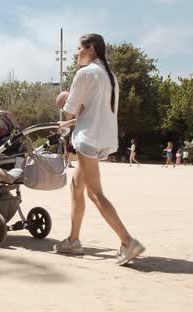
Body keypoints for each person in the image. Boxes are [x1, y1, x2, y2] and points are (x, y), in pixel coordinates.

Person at [54, 34, 145, 265]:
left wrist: (65, 102)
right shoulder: (111, 76)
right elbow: (95, 113)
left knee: (94, 193)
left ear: (91, 49)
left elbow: (69, 110)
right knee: (76, 186)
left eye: (78, 49)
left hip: (88, 139)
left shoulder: (84, 73)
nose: (76, 53)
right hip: (103, 137)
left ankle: (127, 242)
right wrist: (72, 120)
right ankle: (73, 240)